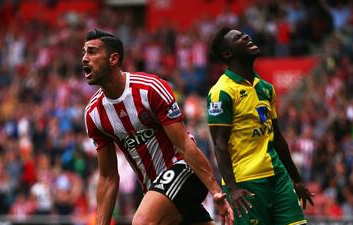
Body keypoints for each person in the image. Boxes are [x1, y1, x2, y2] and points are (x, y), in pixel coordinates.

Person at [82, 28, 234, 225]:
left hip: (185, 169)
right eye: (84, 53)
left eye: (92, 52)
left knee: (142, 222)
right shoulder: (94, 114)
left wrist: (215, 192)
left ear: (113, 59)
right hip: (155, 189)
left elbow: (184, 145)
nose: (85, 58)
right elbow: (108, 177)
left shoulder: (149, 88)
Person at [207, 26, 315, 225]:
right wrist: (232, 189)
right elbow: (219, 145)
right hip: (246, 183)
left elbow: (278, 138)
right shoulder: (221, 92)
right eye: (239, 38)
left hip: (278, 176)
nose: (246, 36)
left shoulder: (266, 88)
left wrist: (297, 179)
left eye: (244, 34)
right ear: (228, 53)